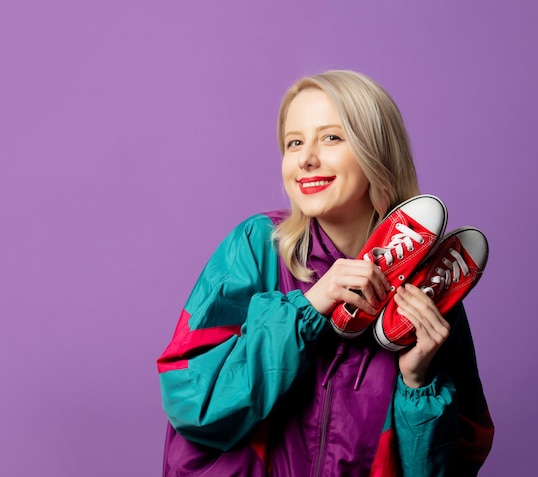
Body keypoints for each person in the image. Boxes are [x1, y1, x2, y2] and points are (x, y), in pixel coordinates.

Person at [157, 69, 494, 476]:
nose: (305, 159)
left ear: (377, 152)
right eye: (294, 142)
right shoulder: (257, 246)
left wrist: (417, 381)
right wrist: (307, 309)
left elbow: (458, 459)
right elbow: (190, 401)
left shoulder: (432, 289)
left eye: (331, 137)